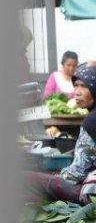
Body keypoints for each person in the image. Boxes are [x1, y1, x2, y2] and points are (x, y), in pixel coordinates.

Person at [28, 65, 96, 203]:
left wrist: (59, 175)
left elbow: (77, 172)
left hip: (90, 192)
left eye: (84, 86)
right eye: (75, 85)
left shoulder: (91, 120)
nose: (77, 92)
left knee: (28, 178)